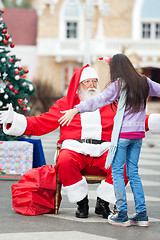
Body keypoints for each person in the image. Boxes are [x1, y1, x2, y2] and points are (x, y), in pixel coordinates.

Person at [0, 64, 158, 220]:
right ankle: (81, 202)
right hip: (75, 149)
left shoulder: (109, 102)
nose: (92, 85)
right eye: (87, 82)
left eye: (95, 81)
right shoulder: (66, 104)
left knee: (122, 165)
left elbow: (131, 119)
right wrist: (14, 120)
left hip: (104, 150)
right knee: (64, 160)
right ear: (79, 85)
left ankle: (103, 202)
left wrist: (153, 121)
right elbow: (42, 122)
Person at [58, 54, 160, 227]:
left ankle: (121, 213)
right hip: (138, 136)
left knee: (117, 172)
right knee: (133, 173)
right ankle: (142, 214)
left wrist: (76, 109)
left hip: (122, 136)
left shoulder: (119, 84)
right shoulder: (144, 82)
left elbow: (98, 100)